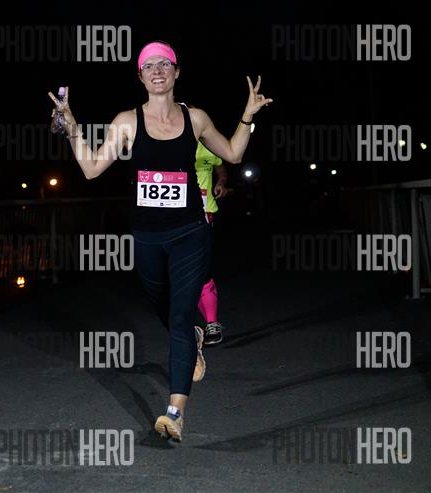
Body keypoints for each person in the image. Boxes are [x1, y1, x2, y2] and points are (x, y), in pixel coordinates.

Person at [47, 41, 272, 442]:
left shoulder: (196, 118)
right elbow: (92, 169)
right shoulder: (127, 121)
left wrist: (248, 116)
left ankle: (175, 412)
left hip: (190, 231)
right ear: (140, 76)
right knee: (165, 309)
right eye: (148, 65)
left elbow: (233, 154)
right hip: (147, 236)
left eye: (164, 64)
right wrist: (73, 128)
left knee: (181, 316)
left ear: (176, 72)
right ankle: (194, 339)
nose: (156, 71)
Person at [195, 141, 229, 345]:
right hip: (172, 217)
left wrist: (221, 182)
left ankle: (212, 323)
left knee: (203, 269)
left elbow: (220, 166)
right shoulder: (167, 140)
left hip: (204, 215)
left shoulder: (208, 143)